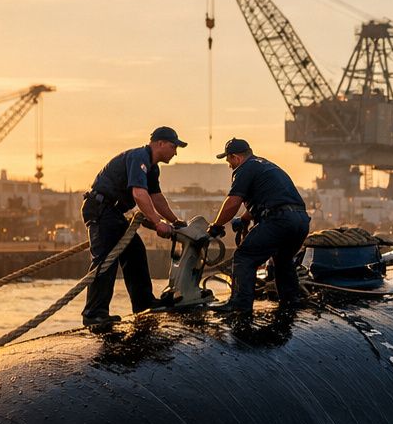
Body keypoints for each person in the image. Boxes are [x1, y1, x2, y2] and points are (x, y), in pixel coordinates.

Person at [80, 127, 187, 327]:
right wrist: (157, 223)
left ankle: (143, 302)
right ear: (160, 143)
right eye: (173, 146)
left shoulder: (153, 168)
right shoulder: (140, 158)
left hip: (114, 212)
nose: (175, 152)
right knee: (105, 260)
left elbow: (155, 197)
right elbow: (139, 194)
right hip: (102, 209)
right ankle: (94, 314)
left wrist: (174, 221)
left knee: (135, 251)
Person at [207, 138, 310, 315]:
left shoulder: (244, 169)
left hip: (279, 220)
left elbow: (232, 202)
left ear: (236, 157)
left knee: (244, 257)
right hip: (300, 221)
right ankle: (291, 302)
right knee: (283, 260)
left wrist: (216, 225)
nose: (229, 166)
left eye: (228, 160)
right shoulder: (267, 166)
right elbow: (272, 200)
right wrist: (245, 219)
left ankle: (240, 306)